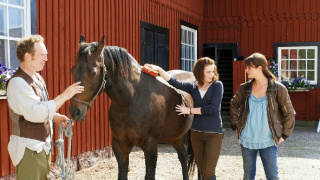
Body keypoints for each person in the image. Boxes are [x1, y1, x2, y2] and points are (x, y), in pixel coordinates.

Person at [6, 34, 84, 180]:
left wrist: (55, 117)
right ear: (28, 56)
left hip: (42, 147)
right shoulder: (17, 83)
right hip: (28, 149)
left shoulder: (37, 78)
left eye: (46, 55)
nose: (46, 59)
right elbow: (36, 113)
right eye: (42, 55)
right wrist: (65, 95)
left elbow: (36, 107)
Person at [144, 57, 224, 180]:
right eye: (208, 72)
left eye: (213, 71)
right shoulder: (193, 87)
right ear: (199, 72)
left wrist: (189, 110)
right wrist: (159, 69)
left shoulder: (217, 86)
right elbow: (174, 82)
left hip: (213, 133)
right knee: (202, 169)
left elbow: (213, 108)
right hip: (196, 134)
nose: (211, 74)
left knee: (208, 172)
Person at [230, 53, 295, 180]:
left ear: (259, 68)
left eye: (249, 67)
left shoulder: (278, 88)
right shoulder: (245, 88)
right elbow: (234, 105)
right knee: (248, 176)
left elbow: (289, 113)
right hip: (247, 138)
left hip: (269, 140)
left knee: (272, 176)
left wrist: (284, 135)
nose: (246, 70)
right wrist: (237, 125)